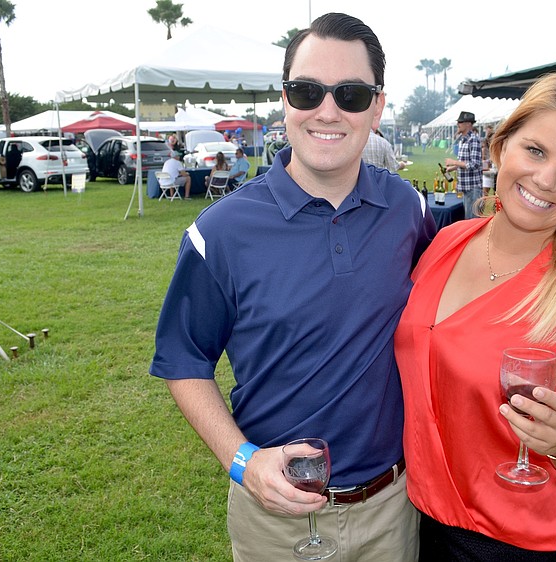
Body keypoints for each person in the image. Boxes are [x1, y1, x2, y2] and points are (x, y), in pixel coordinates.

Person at [150, 12, 435, 562]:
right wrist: (241, 459)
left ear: (377, 106)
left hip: (393, 509)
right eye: (308, 91)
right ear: (284, 100)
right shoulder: (221, 231)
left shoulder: (410, 210)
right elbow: (184, 360)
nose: (327, 111)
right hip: (277, 520)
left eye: (350, 94)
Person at [395, 71, 556, 561]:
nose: (545, 180)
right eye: (535, 151)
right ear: (501, 145)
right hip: (421, 519)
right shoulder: (445, 244)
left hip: (519, 543)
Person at [445, 111, 483, 218]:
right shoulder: (463, 141)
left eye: (461, 122)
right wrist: (452, 168)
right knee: (468, 219)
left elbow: (474, 164)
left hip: (473, 188)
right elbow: (464, 162)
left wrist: (454, 162)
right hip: (466, 187)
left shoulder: (473, 140)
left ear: (468, 124)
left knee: (472, 222)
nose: (458, 124)